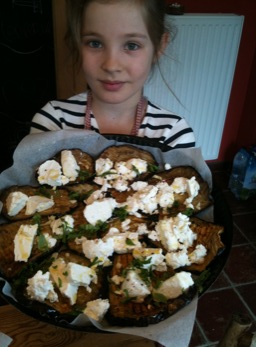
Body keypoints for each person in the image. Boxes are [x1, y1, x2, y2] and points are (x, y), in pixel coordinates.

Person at [29, 0, 196, 150]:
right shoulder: (54, 121)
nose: (111, 65)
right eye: (95, 43)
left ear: (159, 46)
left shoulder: (172, 134)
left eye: (131, 45)